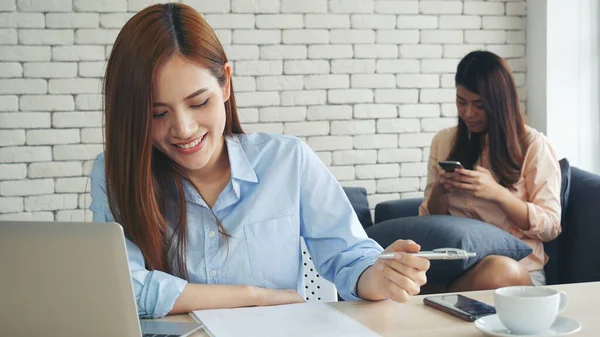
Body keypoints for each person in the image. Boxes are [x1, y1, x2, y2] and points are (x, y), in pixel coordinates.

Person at [89, 3, 429, 319]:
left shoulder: (287, 160)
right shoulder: (113, 174)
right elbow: (126, 289)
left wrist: (381, 276)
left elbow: (350, 258)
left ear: (225, 84)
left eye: (198, 103)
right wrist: (255, 296)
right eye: (158, 113)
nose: (183, 128)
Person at [419, 51, 561, 291]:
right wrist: (441, 191)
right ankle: (440, 300)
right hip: (459, 267)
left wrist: (497, 193)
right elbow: (431, 221)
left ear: (499, 103)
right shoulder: (444, 142)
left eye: (479, 105)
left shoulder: (533, 146)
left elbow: (550, 226)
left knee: (499, 270)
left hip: (516, 270)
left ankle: (439, 299)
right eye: (461, 102)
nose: (468, 113)